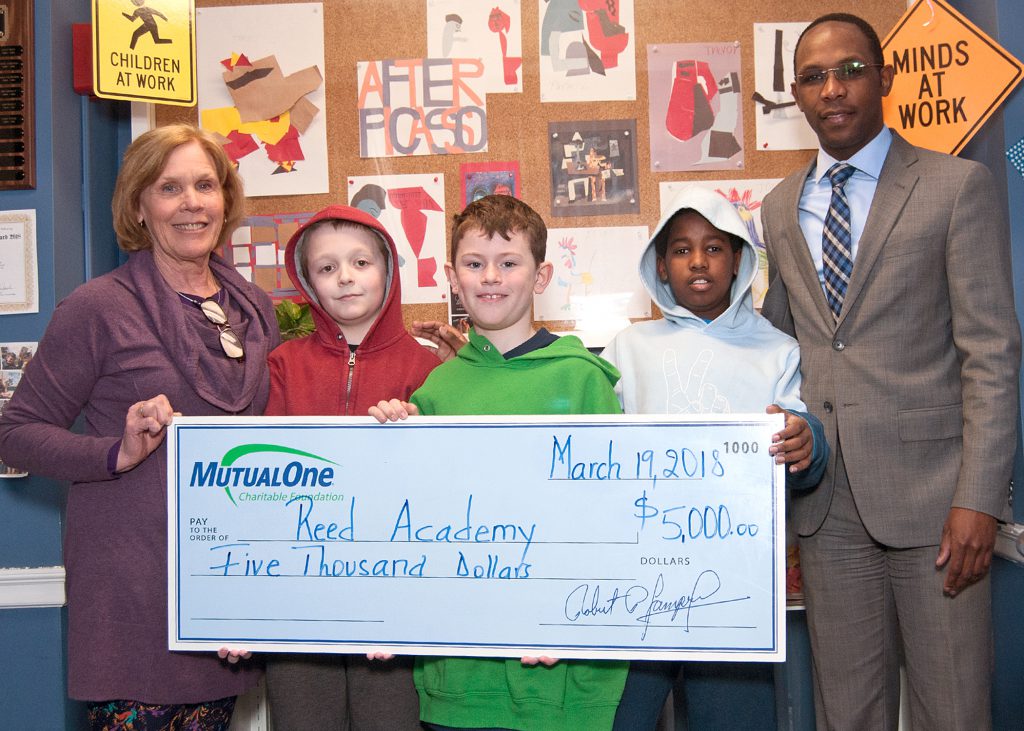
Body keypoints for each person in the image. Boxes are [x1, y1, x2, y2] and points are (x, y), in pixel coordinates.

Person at [760, 13, 1020, 730]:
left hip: (939, 508)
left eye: (849, 70)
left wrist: (980, 500)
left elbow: (991, 354)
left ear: (884, 78)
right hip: (828, 511)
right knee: (847, 715)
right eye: (814, 77)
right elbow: (779, 349)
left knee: (954, 710)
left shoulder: (955, 186)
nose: (833, 89)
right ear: (796, 93)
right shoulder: (781, 206)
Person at [0, 124, 280, 729]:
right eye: (168, 187)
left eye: (206, 185)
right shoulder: (97, 306)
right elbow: (15, 431)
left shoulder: (254, 309)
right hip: (132, 592)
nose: (191, 203)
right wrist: (116, 453)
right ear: (138, 206)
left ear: (226, 199)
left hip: (224, 584)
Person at [372, 194, 628, 731]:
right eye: (473, 263)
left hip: (562, 681)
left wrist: (574, 621)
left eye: (509, 263)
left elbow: (614, 522)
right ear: (451, 276)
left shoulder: (579, 379)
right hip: (459, 683)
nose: (490, 277)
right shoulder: (436, 388)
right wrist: (391, 442)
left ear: (541, 276)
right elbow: (413, 524)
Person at [600, 184, 828, 729]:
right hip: (638, 579)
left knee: (734, 718)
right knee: (620, 715)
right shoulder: (628, 348)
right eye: (681, 250)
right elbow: (589, 446)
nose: (698, 261)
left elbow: (802, 439)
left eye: (714, 248)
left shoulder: (777, 349)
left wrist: (805, 440)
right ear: (660, 264)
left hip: (734, 586)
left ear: (739, 261)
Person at [262, 204, 440, 731]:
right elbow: (260, 480)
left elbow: (443, 489)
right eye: (326, 267)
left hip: (396, 600)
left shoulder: (427, 368)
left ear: (388, 269)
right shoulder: (283, 365)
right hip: (298, 599)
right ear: (309, 285)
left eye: (361, 262)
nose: (345, 277)